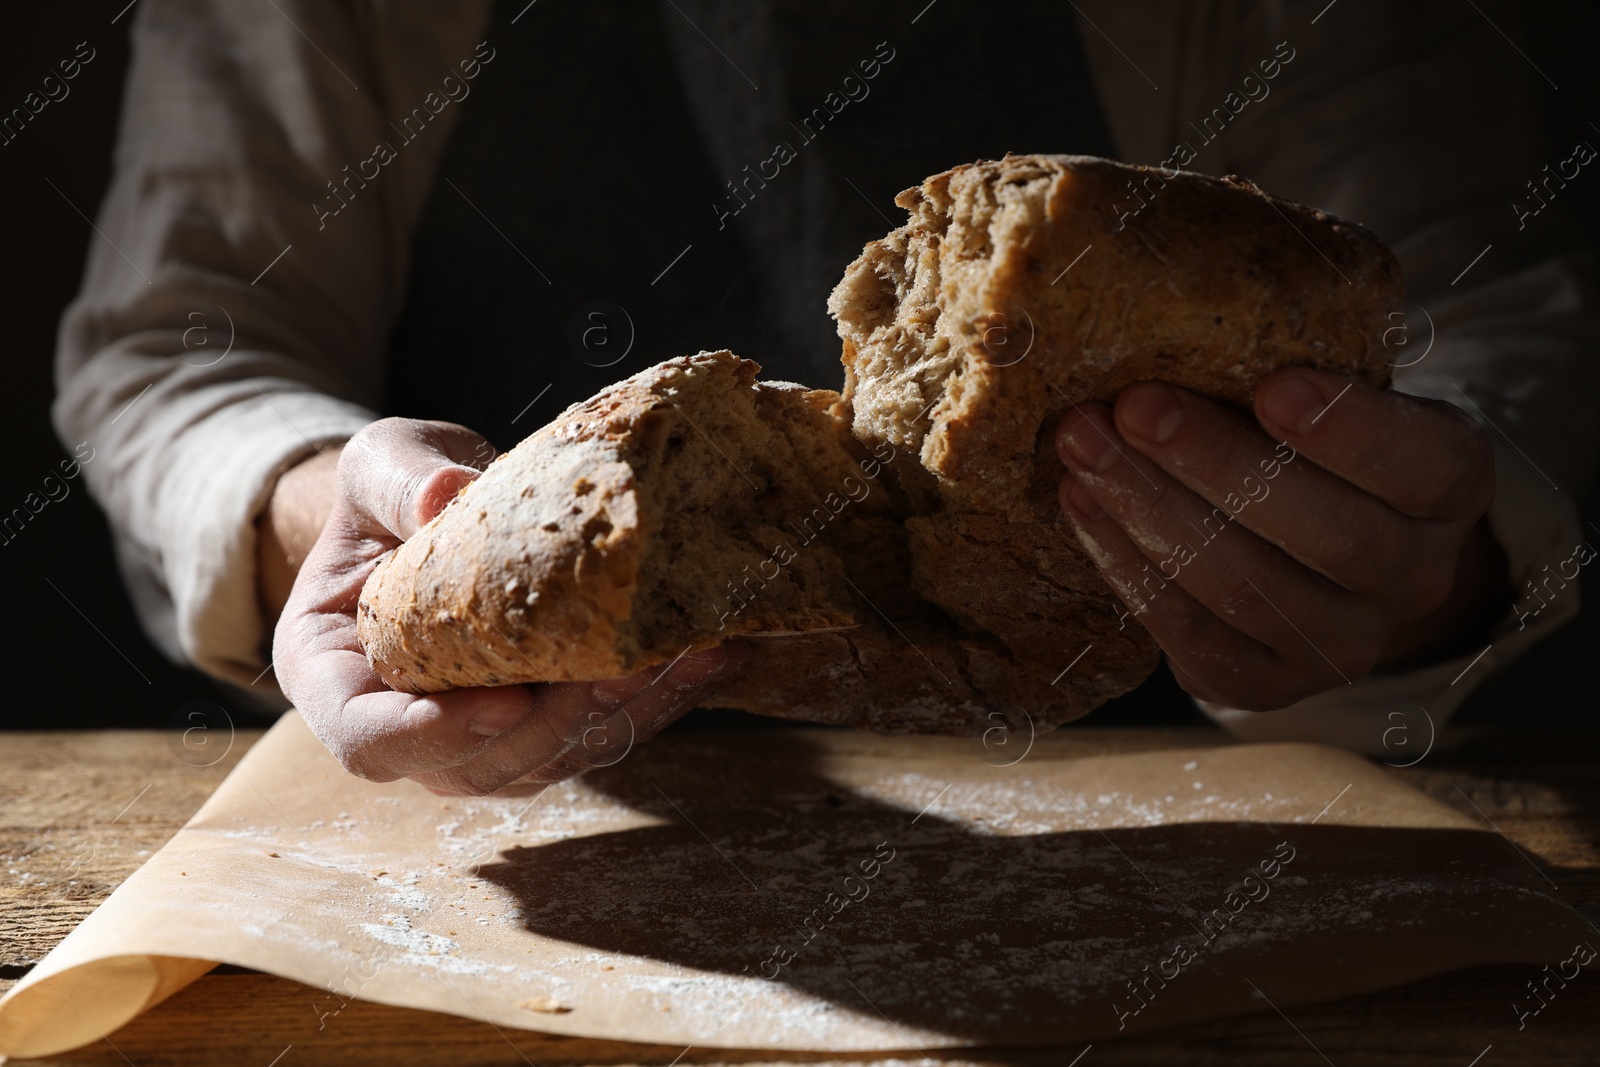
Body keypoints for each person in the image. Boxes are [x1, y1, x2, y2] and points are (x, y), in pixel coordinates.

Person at [55, 0, 1599, 795]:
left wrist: (1425, 561)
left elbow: (1468, 313)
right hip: (507, 848)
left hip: (1157, 852)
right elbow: (172, 349)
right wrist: (360, 521)